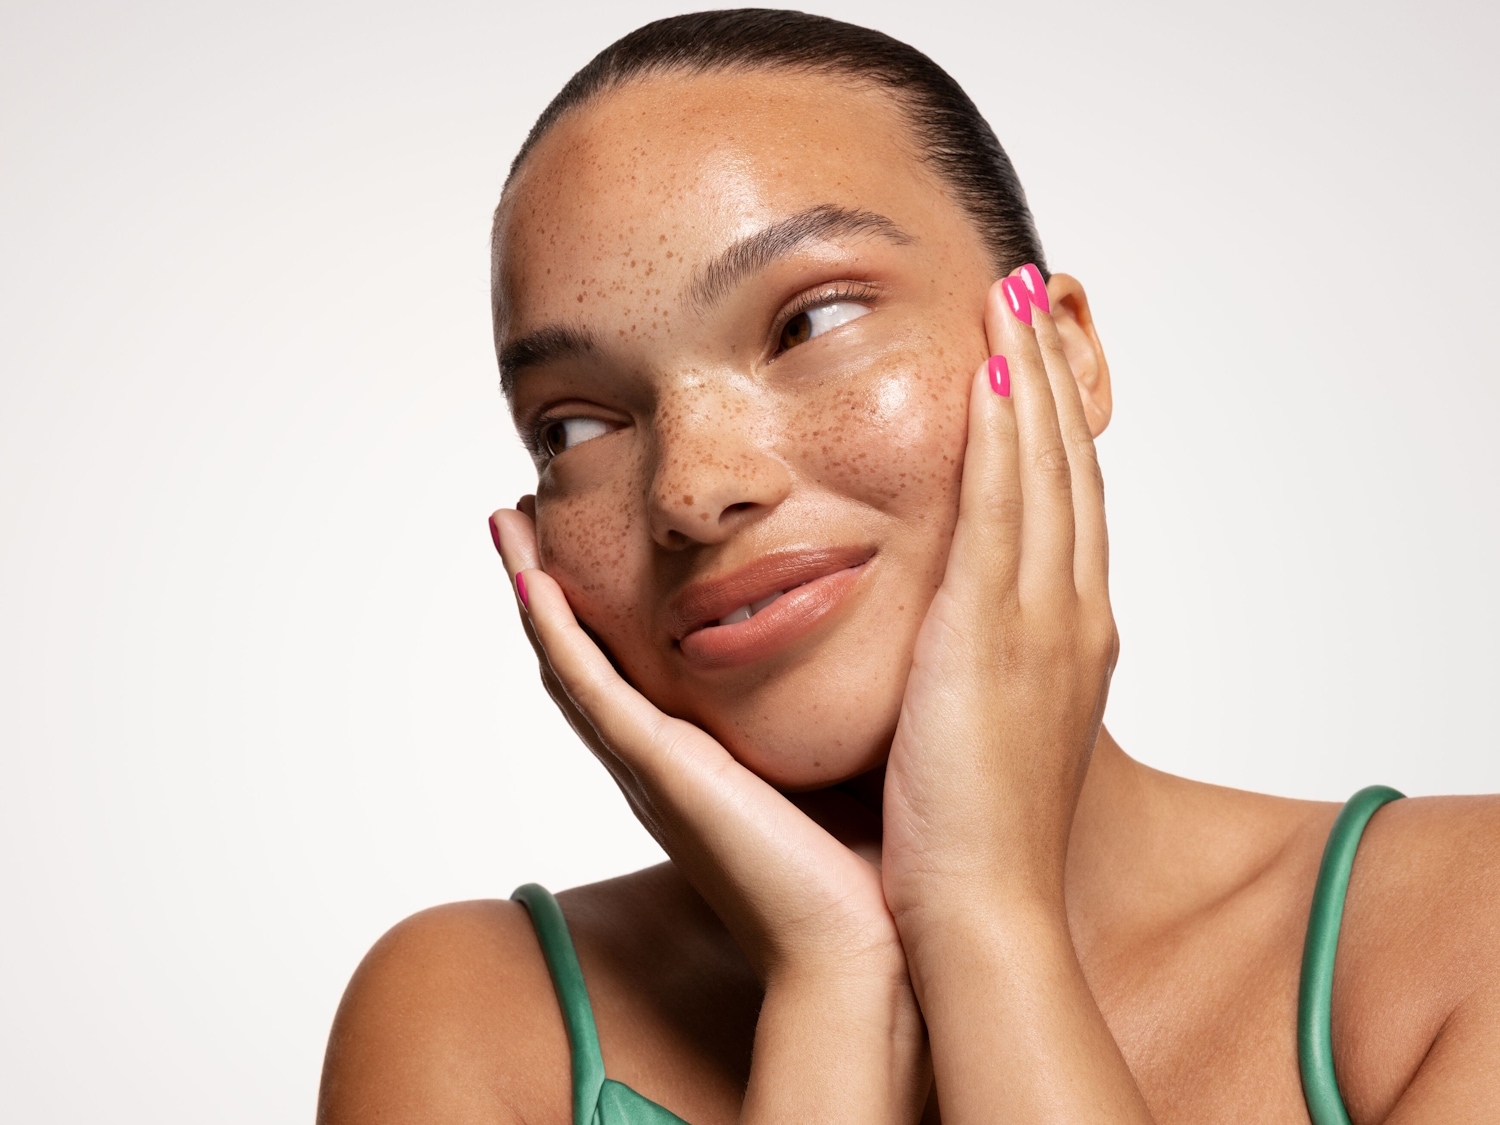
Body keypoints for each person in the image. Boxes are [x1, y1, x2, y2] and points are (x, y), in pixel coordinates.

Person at [316, 11, 1500, 1124]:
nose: (690, 487)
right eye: (574, 426)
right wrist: (834, 989)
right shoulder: (474, 1024)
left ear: (1064, 350)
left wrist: (984, 914)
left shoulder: (1460, 932)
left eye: (809, 323)